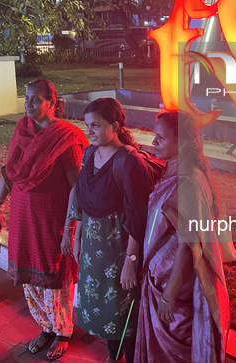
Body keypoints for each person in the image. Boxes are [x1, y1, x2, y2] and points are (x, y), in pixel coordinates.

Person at [0, 79, 88, 360]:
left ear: (51, 103)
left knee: (55, 274)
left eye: (35, 99)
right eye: (27, 99)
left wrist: (72, 227)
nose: (28, 104)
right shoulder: (24, 130)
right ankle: (46, 326)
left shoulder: (66, 138)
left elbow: (76, 187)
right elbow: (11, 172)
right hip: (23, 215)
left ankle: (63, 331)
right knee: (30, 275)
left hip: (53, 217)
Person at [135, 110, 236, 363]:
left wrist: (169, 295)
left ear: (181, 143)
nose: (153, 142)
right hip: (159, 280)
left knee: (174, 353)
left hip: (174, 290)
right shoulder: (172, 171)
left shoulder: (189, 184)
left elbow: (188, 247)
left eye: (160, 137)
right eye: (153, 136)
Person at [64, 97, 152, 363]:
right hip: (93, 250)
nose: (89, 131)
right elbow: (82, 195)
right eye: (87, 125)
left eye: (96, 125)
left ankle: (130, 356)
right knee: (102, 305)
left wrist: (130, 261)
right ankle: (113, 356)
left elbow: (138, 217)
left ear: (115, 125)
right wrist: (76, 235)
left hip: (118, 252)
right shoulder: (90, 153)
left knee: (121, 308)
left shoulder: (129, 161)